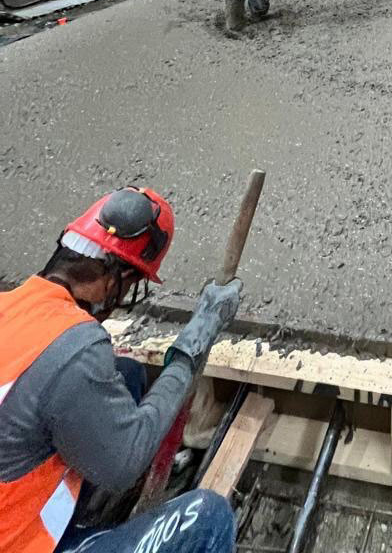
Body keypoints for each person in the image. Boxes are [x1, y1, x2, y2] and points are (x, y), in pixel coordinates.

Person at [0, 186, 240, 553]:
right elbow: (125, 463)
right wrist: (194, 343)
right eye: (128, 286)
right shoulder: (75, 349)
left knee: (126, 373)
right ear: (114, 279)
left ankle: (85, 522)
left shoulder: (11, 306)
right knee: (207, 517)